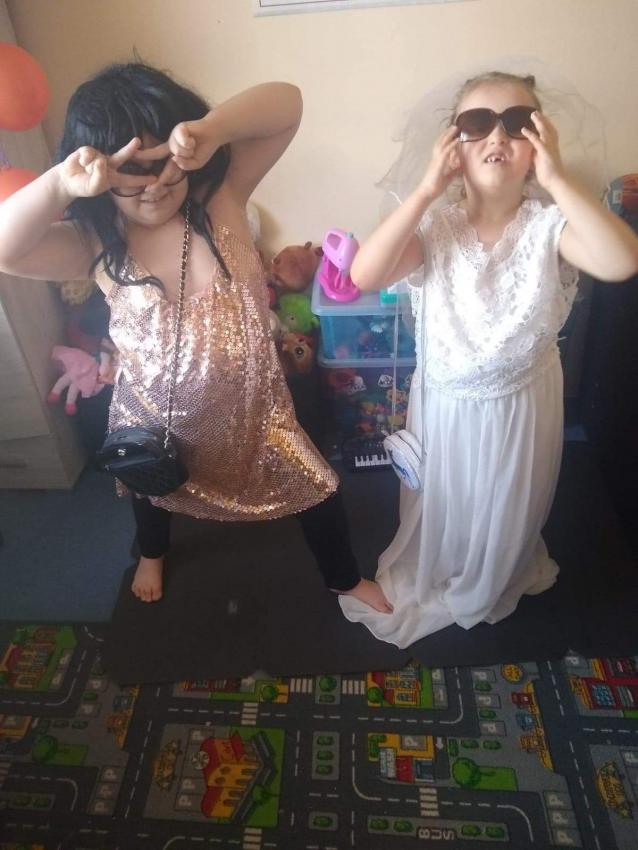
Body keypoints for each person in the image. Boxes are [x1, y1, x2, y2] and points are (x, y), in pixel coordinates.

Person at [0, 62, 392, 612]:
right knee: (149, 488)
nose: (156, 187)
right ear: (102, 176)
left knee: (317, 489)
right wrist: (59, 183)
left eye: (168, 169)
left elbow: (288, 104)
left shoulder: (222, 199)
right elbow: (7, 249)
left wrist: (211, 129)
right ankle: (152, 552)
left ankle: (344, 578)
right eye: (135, 175)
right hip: (153, 420)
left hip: (257, 415)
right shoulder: (93, 243)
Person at [338, 71, 638, 647]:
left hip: (523, 403)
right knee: (449, 499)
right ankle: (448, 563)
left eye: (518, 124)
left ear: (539, 141)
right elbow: (364, 274)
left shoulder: (552, 228)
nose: (498, 137)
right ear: (454, 144)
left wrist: (557, 178)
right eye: (478, 124)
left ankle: (496, 569)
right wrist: (425, 190)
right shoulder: (434, 226)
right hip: (446, 404)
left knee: (507, 500)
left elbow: (622, 261)